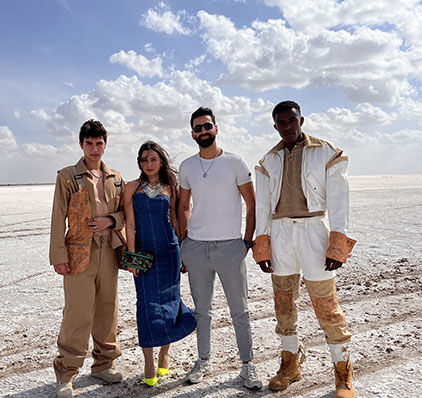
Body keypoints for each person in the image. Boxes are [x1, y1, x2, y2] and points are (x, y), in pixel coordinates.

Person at [253, 100, 356, 397]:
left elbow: (339, 199)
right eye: (281, 123)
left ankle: (343, 371)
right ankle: (290, 365)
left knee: (327, 306)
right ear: (275, 126)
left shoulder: (325, 152)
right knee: (284, 306)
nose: (287, 127)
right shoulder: (267, 161)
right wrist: (263, 245)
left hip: (314, 232)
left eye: (291, 121)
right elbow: (262, 207)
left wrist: (337, 243)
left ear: (301, 120)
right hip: (281, 234)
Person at [178, 107, 262, 390]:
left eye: (207, 126)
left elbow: (252, 204)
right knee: (203, 311)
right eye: (198, 128)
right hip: (197, 248)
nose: (203, 131)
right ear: (192, 134)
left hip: (230, 247)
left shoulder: (235, 163)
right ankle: (203, 361)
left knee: (240, 310)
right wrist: (185, 242)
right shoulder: (188, 166)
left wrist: (246, 242)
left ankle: (248, 367)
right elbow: (183, 206)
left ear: (216, 128)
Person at [50, 120, 125, 398]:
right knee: (78, 313)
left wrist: (111, 220)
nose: (95, 149)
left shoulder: (115, 177)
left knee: (107, 310)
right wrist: (59, 255)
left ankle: (104, 364)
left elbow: (124, 214)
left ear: (105, 144)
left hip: (109, 252)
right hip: (78, 253)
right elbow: (58, 216)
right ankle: (66, 374)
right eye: (89, 143)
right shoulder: (68, 176)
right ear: (81, 144)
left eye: (99, 143)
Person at [122, 141, 196, 387]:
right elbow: (130, 225)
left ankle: (165, 352)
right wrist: (132, 257)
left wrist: (183, 254)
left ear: (161, 162)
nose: (148, 164)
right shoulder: (132, 188)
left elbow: (175, 221)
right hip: (143, 255)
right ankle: (148, 360)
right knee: (145, 305)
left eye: (153, 159)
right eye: (144, 159)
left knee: (170, 303)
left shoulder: (170, 188)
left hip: (169, 253)